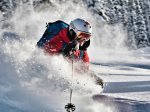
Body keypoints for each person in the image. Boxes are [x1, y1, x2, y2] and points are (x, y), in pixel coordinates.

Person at [37, 18, 104, 88]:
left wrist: (92, 78)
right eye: (81, 35)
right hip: (46, 74)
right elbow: (44, 60)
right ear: (72, 31)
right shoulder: (58, 41)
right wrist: (62, 55)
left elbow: (83, 69)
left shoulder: (82, 51)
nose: (83, 39)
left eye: (87, 36)